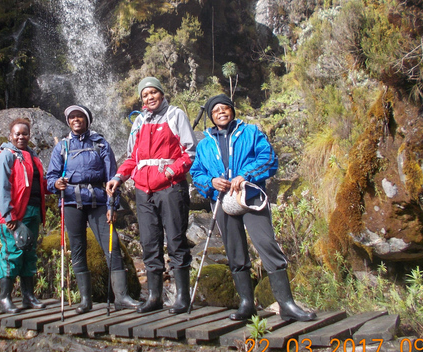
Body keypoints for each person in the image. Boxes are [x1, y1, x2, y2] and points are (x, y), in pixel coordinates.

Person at [190, 94, 316, 322]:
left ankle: (286, 303)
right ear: (210, 116)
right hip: (222, 200)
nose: (221, 112)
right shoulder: (204, 144)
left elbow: (269, 159)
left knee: (266, 243)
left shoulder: (251, 132)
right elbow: (196, 173)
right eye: (216, 109)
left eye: (225, 108)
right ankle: (247, 304)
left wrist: (245, 175)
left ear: (232, 110)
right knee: (234, 250)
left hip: (250, 195)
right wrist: (211, 182)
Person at [106, 77, 196, 314]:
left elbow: (190, 153)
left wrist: (169, 171)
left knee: (176, 240)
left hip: (171, 187)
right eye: (145, 95)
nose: (149, 97)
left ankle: (182, 298)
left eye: (153, 92)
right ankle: (154, 297)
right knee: (149, 242)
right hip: (143, 191)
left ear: (162, 94)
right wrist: (118, 177)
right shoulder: (139, 122)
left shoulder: (175, 115)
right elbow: (133, 158)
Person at [46, 104, 139, 314]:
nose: (75, 120)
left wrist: (112, 205)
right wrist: (55, 184)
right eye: (72, 117)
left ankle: (122, 296)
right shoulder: (61, 147)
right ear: (68, 122)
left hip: (97, 201)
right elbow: (50, 177)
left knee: (112, 244)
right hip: (71, 202)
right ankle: (85, 300)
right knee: (77, 248)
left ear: (87, 120)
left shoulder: (101, 144)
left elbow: (111, 177)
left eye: (80, 116)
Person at [0, 118, 47, 314]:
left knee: (29, 253)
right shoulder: (6, 156)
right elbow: (1, 188)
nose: (21, 136)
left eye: (24, 133)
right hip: (14, 215)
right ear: (10, 136)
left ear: (29, 135)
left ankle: (28, 296)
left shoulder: (32, 157)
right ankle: (4, 298)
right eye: (17, 133)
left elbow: (39, 185)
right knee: (12, 253)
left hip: (33, 212)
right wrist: (9, 217)